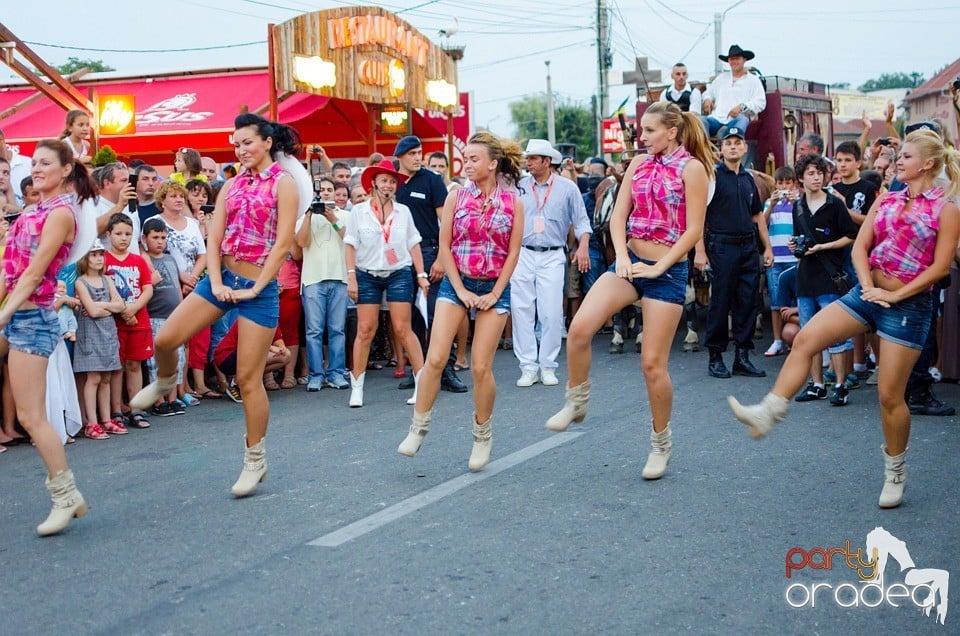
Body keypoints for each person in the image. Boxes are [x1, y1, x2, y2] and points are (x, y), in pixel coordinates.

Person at [729, 129, 960, 508]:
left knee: (889, 397)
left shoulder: (945, 208)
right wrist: (869, 286)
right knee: (806, 338)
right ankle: (769, 411)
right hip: (866, 294)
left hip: (908, 306)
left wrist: (895, 294)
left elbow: (938, 268)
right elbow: (860, 244)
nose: (897, 161)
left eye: (905, 157)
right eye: (898, 156)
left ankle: (895, 470)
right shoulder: (887, 199)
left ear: (928, 164)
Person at [131, 113, 304, 498]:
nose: (240, 150)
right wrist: (218, 280)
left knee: (247, 379)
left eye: (247, 142)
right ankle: (163, 381)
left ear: (267, 142)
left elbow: (283, 244)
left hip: (259, 289)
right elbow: (214, 238)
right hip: (220, 280)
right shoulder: (230, 185)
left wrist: (254, 287)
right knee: (165, 340)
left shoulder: (285, 183)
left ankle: (254, 459)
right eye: (236, 143)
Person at [545, 102, 712, 481]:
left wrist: (661, 266)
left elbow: (693, 231)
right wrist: (621, 255)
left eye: (650, 130)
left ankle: (660, 442)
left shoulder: (693, 169)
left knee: (652, 365)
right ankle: (577, 400)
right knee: (580, 329)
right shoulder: (637, 164)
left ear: (672, 132)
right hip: (629, 263)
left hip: (666, 272)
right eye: (642, 129)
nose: (643, 135)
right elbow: (618, 215)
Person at [398, 131, 524, 471]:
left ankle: (482, 435)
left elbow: (513, 252)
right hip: (458, 283)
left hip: (495, 286)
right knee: (435, 358)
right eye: (464, 159)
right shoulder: (455, 196)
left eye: (473, 159)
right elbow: (444, 247)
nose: (466, 165)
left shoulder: (513, 202)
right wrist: (462, 290)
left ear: (493, 164)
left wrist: (495, 292)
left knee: (481, 366)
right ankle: (418, 427)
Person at [1, 138, 96, 535]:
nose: (36, 168)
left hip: (32, 317)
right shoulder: (34, 209)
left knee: (32, 416)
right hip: (14, 310)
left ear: (65, 170)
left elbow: (35, 274)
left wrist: (3, 314)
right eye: (34, 163)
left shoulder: (60, 214)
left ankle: (65, 495)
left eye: (45, 163)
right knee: (29, 414)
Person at [343, 160, 429, 407]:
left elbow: (414, 243)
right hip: (367, 273)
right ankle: (357, 387)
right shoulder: (358, 212)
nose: (389, 185)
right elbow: (350, 244)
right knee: (365, 330)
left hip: (399, 272)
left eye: (392, 181)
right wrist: (351, 276)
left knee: (403, 328)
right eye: (384, 181)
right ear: (374, 183)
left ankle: (421, 382)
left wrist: (421, 275)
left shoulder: (404, 211)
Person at [512, 139, 592, 388]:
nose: (529, 162)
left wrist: (583, 247)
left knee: (551, 312)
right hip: (522, 253)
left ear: (547, 161)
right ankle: (527, 366)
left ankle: (547, 365)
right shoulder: (518, 186)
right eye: (528, 158)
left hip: (553, 254)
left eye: (534, 158)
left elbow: (581, 221)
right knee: (521, 310)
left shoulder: (567, 188)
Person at [695, 126, 772, 379]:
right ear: (721, 148)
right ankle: (715, 357)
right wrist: (700, 251)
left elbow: (757, 215)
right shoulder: (712, 178)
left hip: (748, 247)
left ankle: (742, 357)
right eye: (728, 143)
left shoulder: (749, 179)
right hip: (721, 246)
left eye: (737, 143)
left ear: (744, 148)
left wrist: (767, 247)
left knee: (748, 302)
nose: (733, 147)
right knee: (720, 302)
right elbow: (699, 217)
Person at [394, 135, 468, 393]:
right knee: (412, 314)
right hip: (400, 257)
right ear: (399, 157)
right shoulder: (392, 181)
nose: (417, 158)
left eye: (419, 153)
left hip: (429, 251)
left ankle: (445, 369)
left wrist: (440, 258)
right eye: (412, 153)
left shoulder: (432, 180)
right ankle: (420, 370)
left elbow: (446, 222)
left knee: (437, 314)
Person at [296, 176, 350, 392]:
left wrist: (332, 218)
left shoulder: (345, 215)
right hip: (312, 279)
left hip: (339, 277)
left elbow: (350, 239)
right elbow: (301, 243)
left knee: (338, 329)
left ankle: (336, 372)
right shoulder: (303, 217)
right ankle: (315, 374)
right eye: (322, 190)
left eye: (329, 190)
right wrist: (309, 214)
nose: (325, 193)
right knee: (313, 331)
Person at [104, 214, 154, 429]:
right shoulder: (104, 260)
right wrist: (124, 311)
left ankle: (136, 408)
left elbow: (147, 288)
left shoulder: (138, 260)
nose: (123, 238)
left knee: (134, 365)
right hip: (113, 323)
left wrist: (133, 308)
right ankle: (116, 409)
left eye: (127, 234)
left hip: (138, 320)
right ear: (108, 235)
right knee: (116, 367)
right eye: (118, 234)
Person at [73, 240, 126, 438]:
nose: (98, 259)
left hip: (108, 332)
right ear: (84, 259)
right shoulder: (81, 282)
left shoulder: (107, 280)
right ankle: (91, 422)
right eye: (93, 255)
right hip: (90, 333)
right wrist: (108, 306)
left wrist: (101, 305)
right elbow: (92, 311)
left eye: (100, 255)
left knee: (106, 377)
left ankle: (106, 419)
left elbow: (120, 305)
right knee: (94, 376)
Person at [142, 219, 189, 416]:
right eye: (155, 237)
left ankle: (172, 398)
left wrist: (182, 311)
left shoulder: (169, 259)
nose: (160, 241)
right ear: (145, 239)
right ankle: (159, 400)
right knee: (157, 362)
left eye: (163, 237)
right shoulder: (145, 261)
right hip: (155, 317)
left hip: (173, 317)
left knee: (177, 359)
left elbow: (177, 287)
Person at [762, 166, 800, 357]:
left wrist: (795, 205)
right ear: (775, 184)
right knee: (776, 302)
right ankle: (777, 340)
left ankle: (795, 338)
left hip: (795, 259)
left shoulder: (800, 202)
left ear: (794, 184)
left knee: (797, 298)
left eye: (788, 182)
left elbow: (802, 224)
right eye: (780, 182)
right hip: (776, 258)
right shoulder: (770, 202)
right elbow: (762, 223)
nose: (784, 186)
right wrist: (771, 204)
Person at [700, 45, 765, 138]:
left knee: (743, 120)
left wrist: (741, 107)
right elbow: (708, 92)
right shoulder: (722, 78)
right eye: (731, 59)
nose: (734, 62)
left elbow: (760, 103)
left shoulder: (754, 80)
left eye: (737, 58)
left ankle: (728, 139)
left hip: (736, 120)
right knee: (699, 121)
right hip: (716, 119)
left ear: (744, 60)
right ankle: (705, 147)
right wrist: (707, 99)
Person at [93, 161, 140, 252]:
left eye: (129, 180)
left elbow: (136, 240)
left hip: (133, 265)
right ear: (107, 183)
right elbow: (92, 231)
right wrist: (120, 205)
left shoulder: (129, 204)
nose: (129, 184)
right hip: (107, 264)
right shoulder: (93, 204)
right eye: (123, 180)